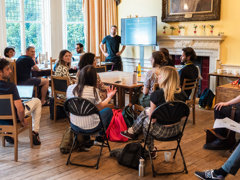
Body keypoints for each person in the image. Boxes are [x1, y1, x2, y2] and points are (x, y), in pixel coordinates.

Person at [121, 66, 187, 157]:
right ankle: (132, 131)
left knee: (146, 120)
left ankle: (150, 149)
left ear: (164, 78)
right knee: (146, 111)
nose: (158, 77)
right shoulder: (183, 95)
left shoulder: (156, 95)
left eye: (160, 75)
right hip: (176, 131)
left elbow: (152, 120)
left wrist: (152, 114)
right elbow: (184, 116)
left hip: (161, 132)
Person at [66, 65, 116, 145]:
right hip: (91, 127)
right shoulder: (93, 90)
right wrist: (109, 97)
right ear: (94, 78)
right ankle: (99, 138)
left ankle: (85, 141)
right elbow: (100, 108)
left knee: (84, 113)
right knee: (108, 111)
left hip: (74, 125)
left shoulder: (69, 88)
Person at [0, 58, 42, 145]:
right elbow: (20, 109)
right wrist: (22, 120)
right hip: (13, 118)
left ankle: (8, 133)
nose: (10, 71)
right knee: (37, 101)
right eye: (7, 69)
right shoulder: (11, 87)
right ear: (0, 72)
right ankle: (35, 132)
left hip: (1, 120)